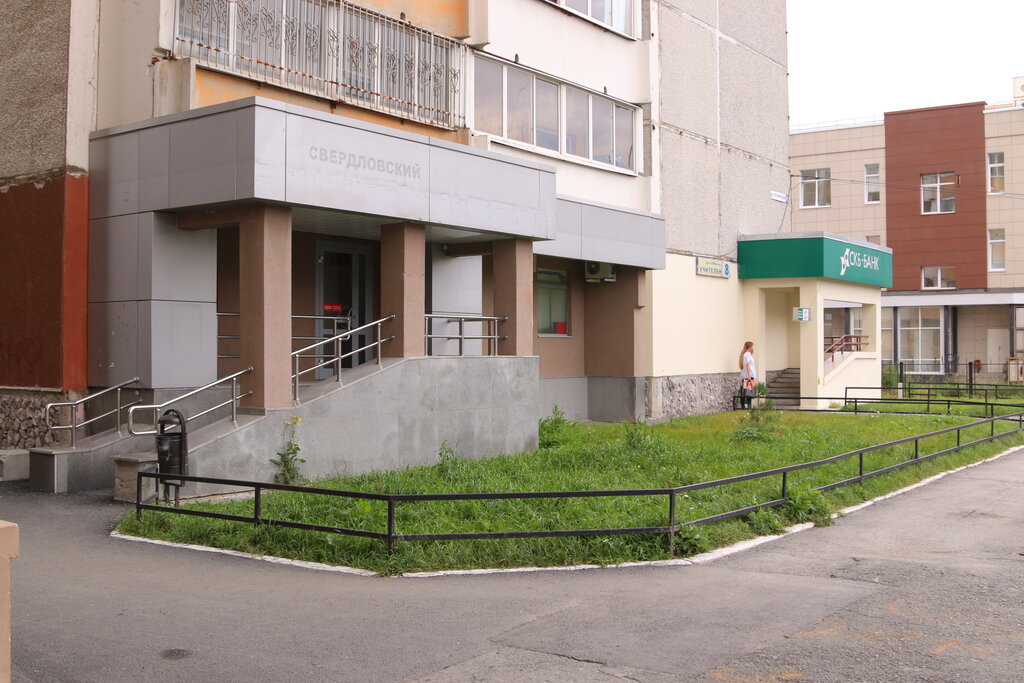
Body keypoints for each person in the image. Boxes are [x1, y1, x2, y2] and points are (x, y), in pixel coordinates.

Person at [738, 341, 757, 409]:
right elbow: (748, 365)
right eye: (752, 346)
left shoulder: (746, 354)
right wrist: (749, 376)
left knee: (746, 391)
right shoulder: (748, 354)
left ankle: (745, 406)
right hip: (748, 375)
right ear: (750, 347)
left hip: (747, 375)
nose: (752, 348)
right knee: (748, 391)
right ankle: (747, 406)